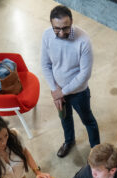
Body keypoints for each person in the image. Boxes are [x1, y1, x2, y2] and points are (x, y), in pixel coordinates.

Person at [41, 5, 100, 158]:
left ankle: (96, 150)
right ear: (51, 24)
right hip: (58, 89)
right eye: (56, 28)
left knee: (88, 120)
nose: (61, 33)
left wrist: (62, 92)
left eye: (65, 28)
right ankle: (69, 141)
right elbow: (45, 64)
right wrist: (55, 90)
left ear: (72, 22)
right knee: (65, 118)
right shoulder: (47, 36)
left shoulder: (83, 40)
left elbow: (85, 74)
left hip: (78, 92)